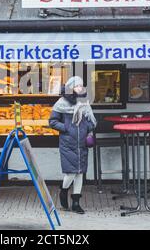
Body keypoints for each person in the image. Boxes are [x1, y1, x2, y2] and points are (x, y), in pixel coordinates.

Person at [49, 76, 97, 214]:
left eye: (81, 86)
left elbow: (92, 121)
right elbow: (52, 122)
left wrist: (86, 127)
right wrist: (67, 128)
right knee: (70, 173)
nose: (79, 88)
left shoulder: (84, 102)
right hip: (67, 143)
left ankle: (76, 203)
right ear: (70, 88)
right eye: (76, 86)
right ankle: (63, 191)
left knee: (80, 173)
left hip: (81, 143)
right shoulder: (61, 103)